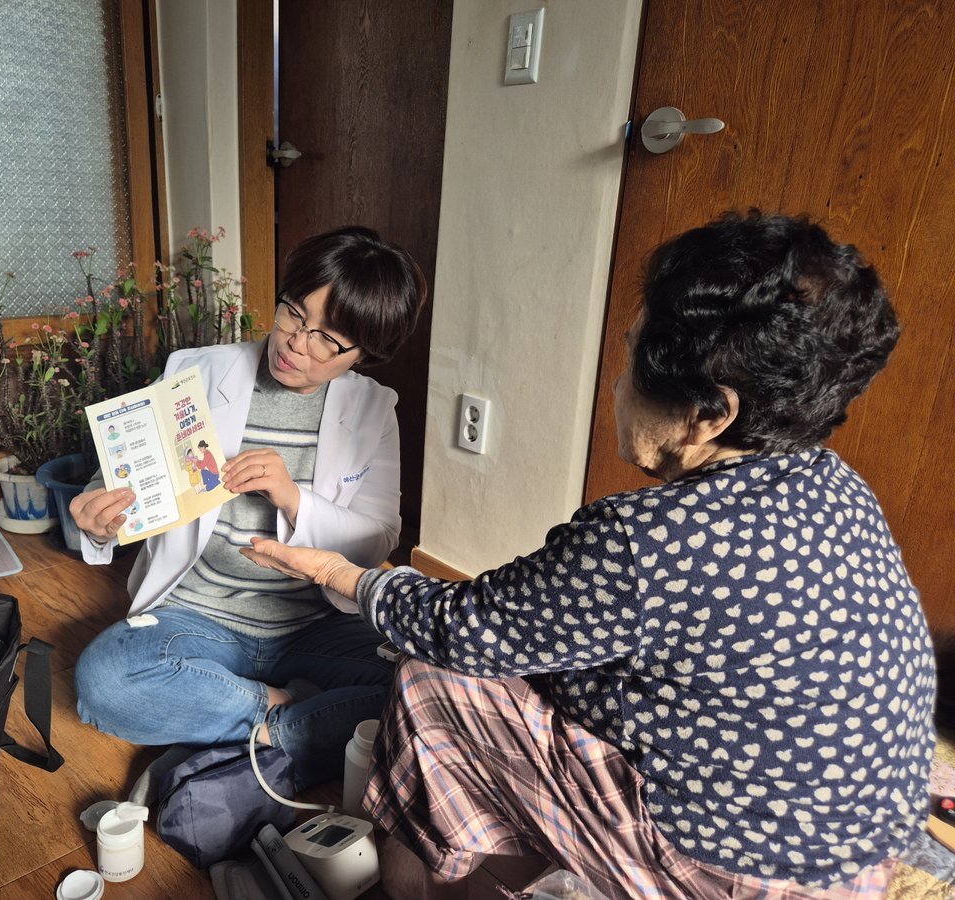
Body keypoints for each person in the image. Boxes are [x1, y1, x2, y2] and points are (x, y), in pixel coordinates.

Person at [242, 211, 935, 898]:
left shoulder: (652, 539)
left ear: (709, 416)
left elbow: (462, 626)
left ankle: (409, 886)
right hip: (860, 853)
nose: (616, 384)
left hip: (744, 873)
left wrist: (340, 572)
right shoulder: (835, 482)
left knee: (434, 675)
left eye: (631, 361)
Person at [71, 225, 426, 792]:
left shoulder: (374, 410)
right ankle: (287, 717)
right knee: (105, 680)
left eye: (327, 339)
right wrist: (98, 523)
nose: (295, 343)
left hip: (314, 625)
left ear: (365, 353)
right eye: (293, 313)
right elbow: (116, 484)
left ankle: (238, 727)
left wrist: (293, 498)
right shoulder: (195, 373)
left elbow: (378, 537)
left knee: (427, 682)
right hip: (199, 616)